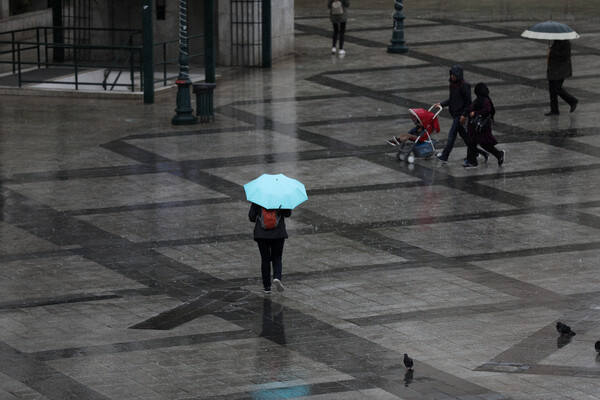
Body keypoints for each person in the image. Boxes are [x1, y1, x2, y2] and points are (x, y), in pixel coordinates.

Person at [435, 65, 488, 164]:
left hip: (460, 115)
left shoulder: (464, 85)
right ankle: (481, 153)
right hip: (455, 113)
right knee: (465, 137)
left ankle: (445, 156)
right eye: (451, 75)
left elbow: (469, 102)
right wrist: (442, 104)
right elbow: (452, 99)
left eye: (454, 75)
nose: (452, 77)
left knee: (451, 136)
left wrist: (464, 114)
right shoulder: (452, 84)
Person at [249, 203, 292, 294]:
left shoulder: (258, 198)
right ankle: (277, 277)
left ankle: (267, 287)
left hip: (262, 235)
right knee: (277, 257)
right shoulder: (281, 198)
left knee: (265, 259)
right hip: (278, 234)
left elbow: (251, 217)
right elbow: (288, 214)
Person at [464, 83, 505, 168]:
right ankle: (472, 161)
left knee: (481, 144)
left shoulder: (484, 100)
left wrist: (475, 113)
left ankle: (498, 154)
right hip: (476, 128)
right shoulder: (481, 99)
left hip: (480, 128)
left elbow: (487, 110)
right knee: (473, 143)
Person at [545, 40, 578, 116]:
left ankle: (572, 101)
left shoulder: (566, 43)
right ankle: (554, 110)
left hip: (561, 70)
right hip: (553, 70)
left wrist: (551, 52)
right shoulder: (556, 41)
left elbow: (565, 56)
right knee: (552, 90)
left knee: (556, 88)